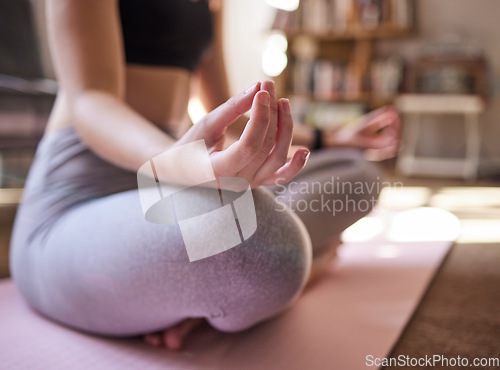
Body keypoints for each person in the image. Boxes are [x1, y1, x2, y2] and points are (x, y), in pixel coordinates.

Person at [10, 0, 400, 351]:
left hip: (176, 185)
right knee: (263, 234)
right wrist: (178, 162)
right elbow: (90, 99)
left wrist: (328, 137)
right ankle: (308, 260)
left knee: (357, 174)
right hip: (75, 211)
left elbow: (223, 114)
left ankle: (204, 290)